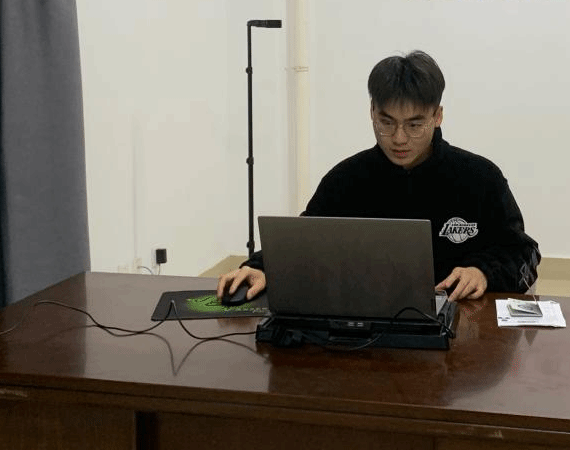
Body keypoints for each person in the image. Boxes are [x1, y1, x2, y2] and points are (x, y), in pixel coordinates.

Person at [217, 50, 541, 303]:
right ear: (372, 111)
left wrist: (482, 272)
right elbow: (306, 242)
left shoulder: (479, 178)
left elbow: (523, 252)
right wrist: (260, 267)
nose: (399, 138)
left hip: (460, 329)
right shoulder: (346, 180)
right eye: (386, 122)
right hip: (363, 326)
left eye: (415, 125)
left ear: (438, 116)